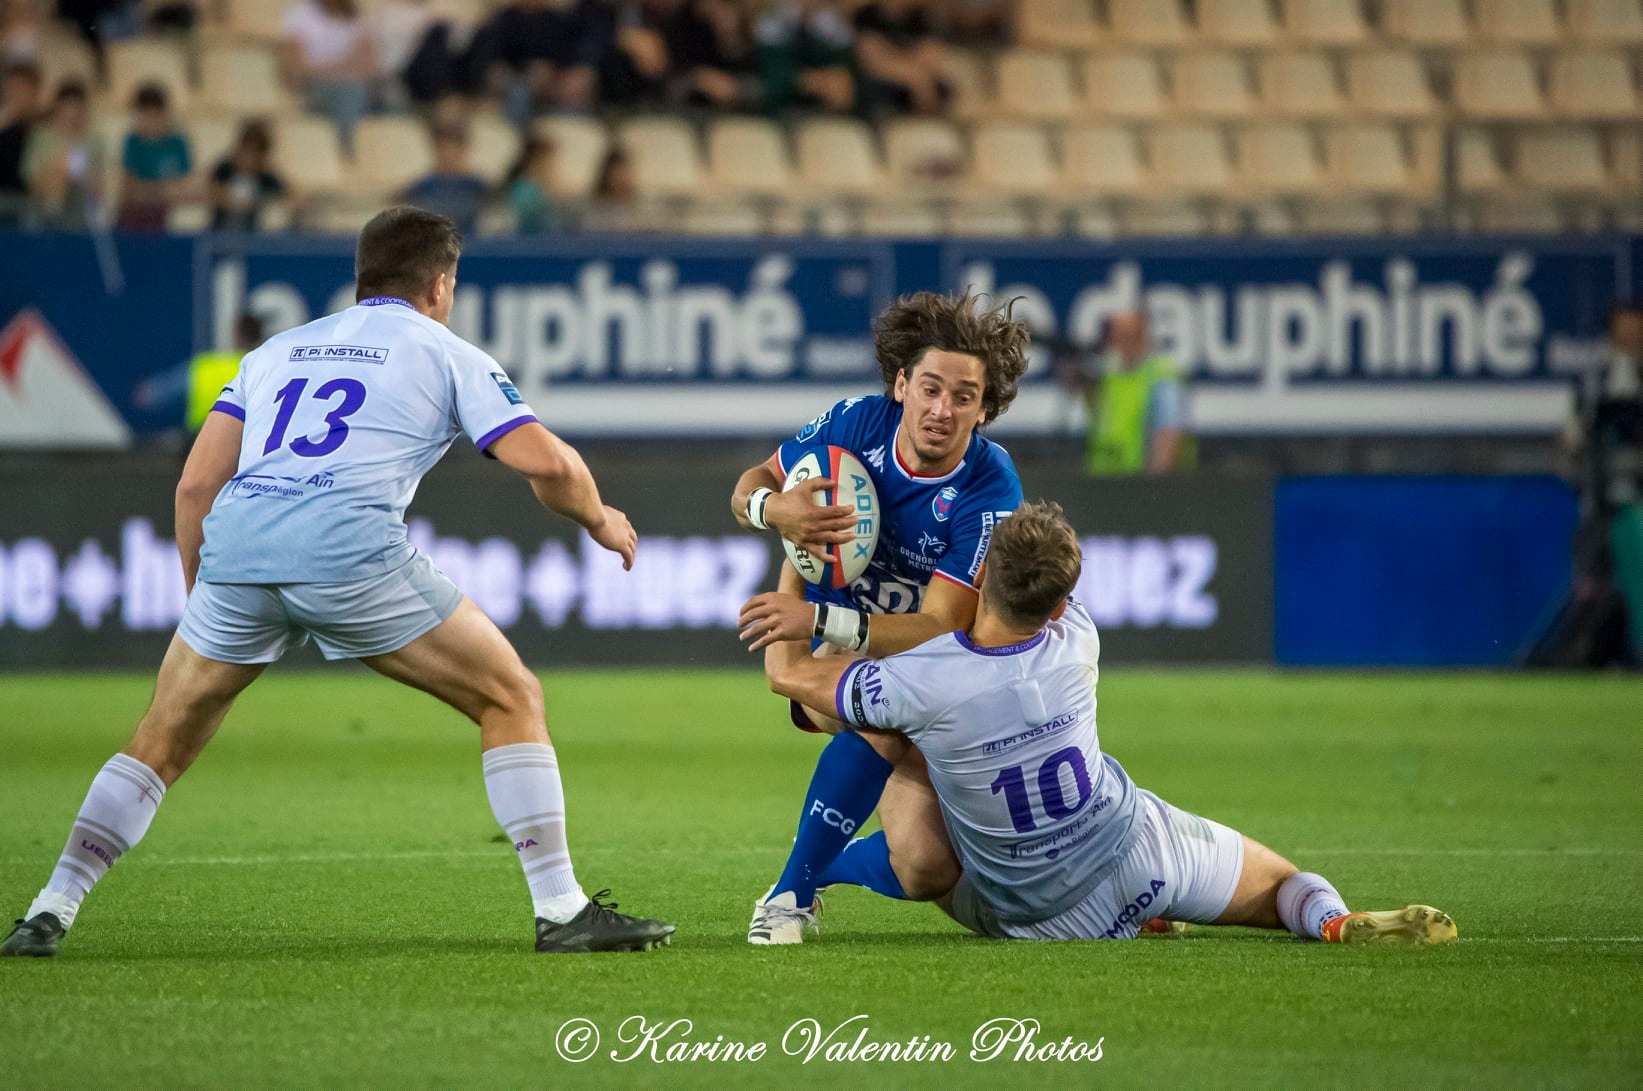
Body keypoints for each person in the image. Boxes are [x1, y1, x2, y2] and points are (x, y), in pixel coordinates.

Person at [1, 205, 674, 958]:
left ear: (362, 277)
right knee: (510, 695)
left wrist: (206, 597)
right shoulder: (446, 350)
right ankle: (561, 909)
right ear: (441, 284)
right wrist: (601, 520)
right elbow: (548, 462)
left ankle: (49, 909)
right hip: (348, 552)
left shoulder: (275, 351)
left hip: (238, 554)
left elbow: (195, 486)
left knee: (160, 738)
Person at [763, 500, 1460, 946]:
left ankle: (810, 875)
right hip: (1137, 852)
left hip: (1026, 914)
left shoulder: (922, 679)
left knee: (869, 730)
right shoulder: (1078, 641)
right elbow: (1038, 589)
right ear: (1060, 603)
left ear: (979, 579)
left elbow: (790, 678)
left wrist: (797, 564)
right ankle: (1333, 920)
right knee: (1285, 885)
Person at [731, 290, 1029, 944]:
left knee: (924, 865)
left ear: (983, 408)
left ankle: (817, 869)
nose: (941, 410)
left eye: (962, 397)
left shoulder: (988, 486)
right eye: (928, 388)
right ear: (901, 385)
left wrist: (817, 623)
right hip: (851, 665)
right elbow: (751, 481)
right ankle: (788, 894)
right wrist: (774, 511)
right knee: (883, 712)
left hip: (935, 668)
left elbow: (942, 625)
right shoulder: (856, 425)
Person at [1067, 310, 1187, 476]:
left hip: (1137, 480)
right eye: (1117, 338)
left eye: (1127, 337)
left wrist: (1153, 485)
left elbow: (1167, 433)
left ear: (1142, 338)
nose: (1119, 345)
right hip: (1101, 476)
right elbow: (1095, 412)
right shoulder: (1110, 376)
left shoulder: (1159, 376)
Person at [281, 0, 375, 152]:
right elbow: (297, 69)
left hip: (355, 87)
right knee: (350, 92)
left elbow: (368, 66)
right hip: (313, 89)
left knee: (390, 97)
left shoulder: (355, 16)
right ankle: (348, 153)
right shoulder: (299, 14)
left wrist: (330, 68)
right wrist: (344, 65)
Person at [20, 78, 103, 230]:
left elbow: (99, 184)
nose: (72, 113)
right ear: (58, 107)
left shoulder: (93, 140)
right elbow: (30, 179)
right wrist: (57, 170)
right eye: (68, 107)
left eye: (77, 107)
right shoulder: (41, 137)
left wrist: (82, 178)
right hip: (45, 204)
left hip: (80, 207)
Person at [754, 0, 855, 114]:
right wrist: (816, 82)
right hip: (783, 111)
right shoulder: (772, 22)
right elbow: (774, 81)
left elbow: (844, 80)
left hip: (825, 112)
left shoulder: (834, 24)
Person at [116, 82, 191, 231]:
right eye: (145, 116)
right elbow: (129, 191)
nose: (151, 122)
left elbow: (187, 189)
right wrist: (161, 192)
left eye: (154, 116)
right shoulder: (133, 142)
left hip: (165, 221)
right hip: (133, 221)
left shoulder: (178, 144)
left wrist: (150, 191)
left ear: (164, 114)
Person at [852, 0, 949, 115]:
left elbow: (931, 54)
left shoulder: (920, 16)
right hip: (883, 85)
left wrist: (893, 55)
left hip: (919, 80)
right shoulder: (867, 15)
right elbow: (871, 57)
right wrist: (912, 75)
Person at [400, 119, 488, 235]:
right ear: (435, 149)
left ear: (464, 149)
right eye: (442, 149)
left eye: (455, 150)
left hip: (470, 244)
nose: (448, 156)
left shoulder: (478, 186)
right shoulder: (422, 186)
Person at [209, 119, 290, 233]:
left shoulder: (267, 178)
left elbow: (289, 197)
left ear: (262, 156)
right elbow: (207, 191)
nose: (248, 159)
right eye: (245, 151)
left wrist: (259, 202)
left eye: (254, 154)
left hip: (254, 236)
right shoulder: (224, 169)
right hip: (221, 232)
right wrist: (225, 199)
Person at [0, 59, 41, 226]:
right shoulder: (4, 123)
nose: (16, 94)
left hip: (27, 201)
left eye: (22, 89)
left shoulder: (39, 126)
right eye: (12, 88)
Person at [502, 133, 558, 233]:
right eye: (548, 161)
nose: (552, 167)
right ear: (535, 162)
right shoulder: (523, 190)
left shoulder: (539, 188)